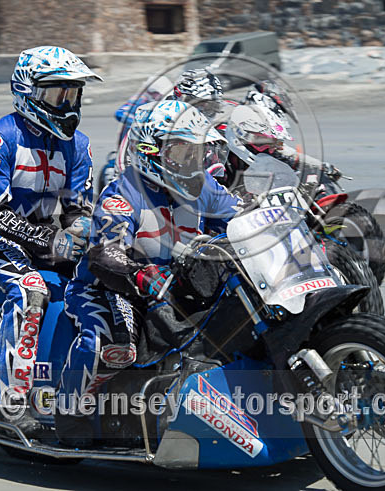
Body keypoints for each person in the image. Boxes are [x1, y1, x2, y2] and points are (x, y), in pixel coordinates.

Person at [55, 99, 240, 446]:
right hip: (109, 288)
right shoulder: (124, 193)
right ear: (150, 150)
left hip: (177, 284)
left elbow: (236, 221)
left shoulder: (205, 188)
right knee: (112, 345)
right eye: (182, 152)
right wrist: (141, 274)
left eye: (198, 152)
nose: (192, 162)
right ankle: (70, 413)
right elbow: (104, 255)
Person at [0, 46, 102, 431]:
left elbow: (78, 206)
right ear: (28, 91)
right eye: (57, 93)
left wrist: (80, 230)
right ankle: (9, 403)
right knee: (29, 290)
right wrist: (49, 241)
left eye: (73, 93)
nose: (68, 103)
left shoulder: (79, 145)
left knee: (107, 279)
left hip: (49, 237)